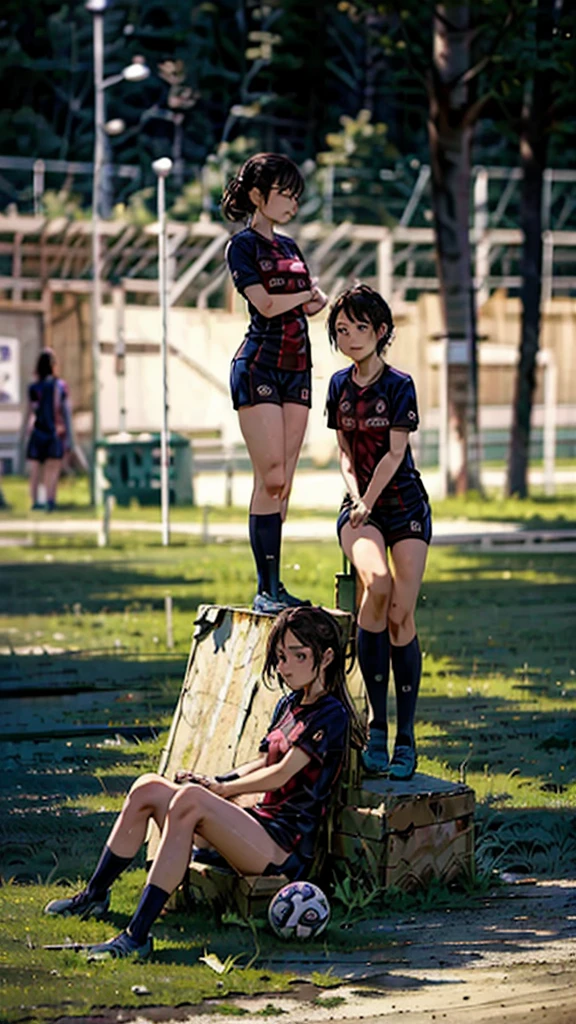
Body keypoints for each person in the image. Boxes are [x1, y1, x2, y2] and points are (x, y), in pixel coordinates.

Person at [44, 606, 361, 961]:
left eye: (299, 656)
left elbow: (283, 772)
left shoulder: (332, 713)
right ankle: (95, 897)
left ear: (328, 656)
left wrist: (223, 792)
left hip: (283, 849)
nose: (285, 667)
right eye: (282, 656)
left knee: (191, 800)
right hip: (257, 826)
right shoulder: (289, 704)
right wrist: (217, 780)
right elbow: (261, 761)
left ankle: (137, 936)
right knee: (147, 787)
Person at [325, 284, 432, 781]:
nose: (350, 337)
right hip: (359, 511)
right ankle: (376, 725)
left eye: (359, 328)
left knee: (400, 617)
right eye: (342, 329)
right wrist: (356, 499)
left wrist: (371, 499)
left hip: (403, 505)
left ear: (381, 331)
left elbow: (394, 454)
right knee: (378, 585)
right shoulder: (337, 386)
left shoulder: (400, 385)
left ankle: (406, 738)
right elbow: (345, 453)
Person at [222, 153, 328, 614]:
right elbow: (266, 305)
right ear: (257, 196)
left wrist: (313, 300)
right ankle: (265, 589)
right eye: (284, 193)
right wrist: (308, 294)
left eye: (295, 196)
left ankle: (276, 587)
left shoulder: (291, 247)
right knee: (272, 476)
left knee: (284, 486)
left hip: (297, 366)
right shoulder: (241, 246)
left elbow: (310, 306)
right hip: (259, 365)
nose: (291, 203)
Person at [26, 348, 72, 511]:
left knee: (36, 469)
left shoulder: (34, 387)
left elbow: (31, 412)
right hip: (54, 432)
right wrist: (69, 437)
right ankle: (50, 499)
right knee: (52, 468)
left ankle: (35, 501)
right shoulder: (60, 386)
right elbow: (65, 412)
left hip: (37, 432)